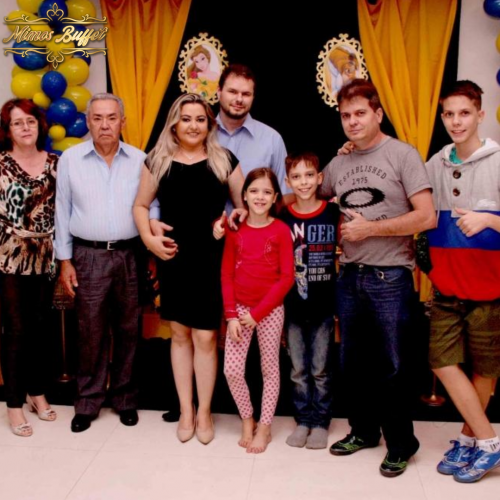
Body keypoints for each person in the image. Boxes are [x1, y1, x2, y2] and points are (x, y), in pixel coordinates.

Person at [321, 79, 436, 477]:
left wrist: (370, 229)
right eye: (345, 115)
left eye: (360, 113)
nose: (352, 121)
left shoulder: (403, 154)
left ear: (378, 114)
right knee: (353, 364)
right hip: (349, 276)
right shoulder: (339, 163)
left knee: (394, 366)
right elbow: (308, 193)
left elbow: (426, 216)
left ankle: (401, 443)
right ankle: (363, 431)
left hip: (391, 278)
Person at [134, 93, 244, 445]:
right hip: (174, 258)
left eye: (200, 119)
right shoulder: (158, 160)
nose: (193, 125)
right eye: (186, 119)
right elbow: (140, 206)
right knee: (180, 334)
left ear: (209, 125)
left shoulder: (225, 160)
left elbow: (243, 208)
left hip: (212, 260)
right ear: (174, 124)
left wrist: (233, 220)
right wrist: (150, 239)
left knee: (206, 337)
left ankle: (205, 411)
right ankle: (185, 409)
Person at [55, 93, 160, 433]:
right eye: (97, 118)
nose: (104, 125)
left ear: (122, 122)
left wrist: (152, 241)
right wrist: (65, 260)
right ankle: (88, 401)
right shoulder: (70, 160)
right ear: (88, 122)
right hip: (88, 256)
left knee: (129, 329)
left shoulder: (140, 159)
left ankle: (125, 399)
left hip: (131, 254)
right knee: (91, 331)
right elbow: (61, 210)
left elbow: (152, 205)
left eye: (111, 118)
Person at [425, 80, 500, 483]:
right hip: (448, 286)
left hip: (491, 287)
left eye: (464, 113)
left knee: (485, 369)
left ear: (480, 115)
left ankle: (472, 439)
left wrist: (489, 219)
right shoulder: (435, 165)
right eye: (449, 114)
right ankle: (490, 441)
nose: (456, 121)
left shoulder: (498, 161)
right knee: (441, 360)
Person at [222, 168, 294, 453]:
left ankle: (264, 426)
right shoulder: (235, 230)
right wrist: (231, 315)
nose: (260, 197)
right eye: (254, 191)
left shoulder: (281, 230)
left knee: (270, 369)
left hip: (269, 311)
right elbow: (227, 274)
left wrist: (257, 314)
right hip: (239, 310)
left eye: (266, 192)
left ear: (275, 197)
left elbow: (286, 278)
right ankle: (247, 418)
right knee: (232, 370)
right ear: (244, 195)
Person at [0, 98, 58, 437]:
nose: (25, 127)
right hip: (8, 257)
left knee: (40, 329)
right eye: (17, 122)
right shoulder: (1, 163)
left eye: (30, 121)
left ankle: (36, 393)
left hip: (46, 257)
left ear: (39, 126)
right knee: (16, 331)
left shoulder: (55, 163)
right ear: (8, 130)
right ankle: (13, 404)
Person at [280, 153, 339, 450]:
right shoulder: (283, 217)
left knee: (320, 369)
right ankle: (303, 419)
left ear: (319, 178)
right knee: (298, 371)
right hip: (292, 307)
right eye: (296, 177)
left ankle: (320, 422)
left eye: (309, 175)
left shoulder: (333, 212)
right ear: (288, 181)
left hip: (324, 306)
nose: (303, 182)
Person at [216, 64, 293, 206]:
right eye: (232, 92)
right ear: (219, 92)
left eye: (246, 94)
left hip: (256, 221)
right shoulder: (201, 136)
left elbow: (284, 196)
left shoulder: (272, 140)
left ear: (253, 97)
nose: (239, 99)